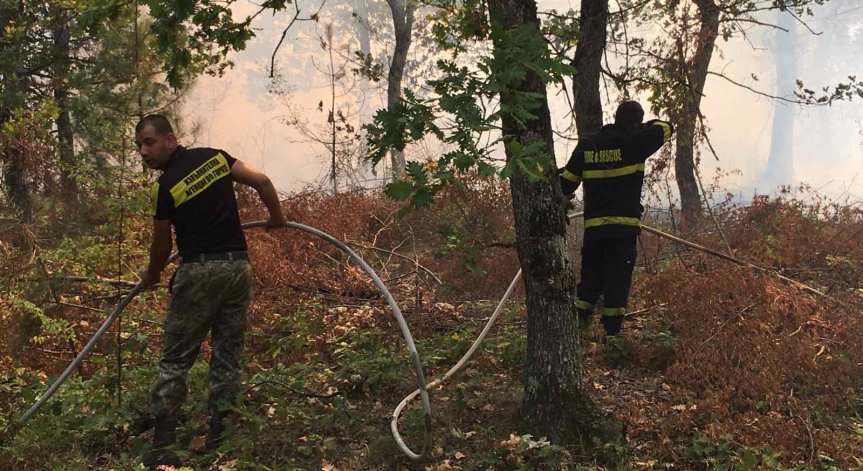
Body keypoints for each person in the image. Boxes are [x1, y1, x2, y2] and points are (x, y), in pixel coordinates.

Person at [135, 114, 286, 468]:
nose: (143, 151)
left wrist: (153, 274)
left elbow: (161, 246)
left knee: (175, 359)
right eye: (139, 146)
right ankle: (221, 434)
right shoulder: (216, 158)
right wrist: (276, 217)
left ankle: (162, 445)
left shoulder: (165, 186)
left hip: (199, 272)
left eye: (149, 143)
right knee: (227, 354)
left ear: (170, 140)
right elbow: (262, 181)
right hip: (237, 269)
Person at [559, 101, 673, 338]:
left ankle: (578, 326)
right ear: (634, 123)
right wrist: (644, 127)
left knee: (590, 278)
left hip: (595, 230)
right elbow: (666, 127)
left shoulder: (588, 144)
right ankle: (612, 336)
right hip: (623, 230)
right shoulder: (636, 142)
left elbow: (566, 183)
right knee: (617, 281)